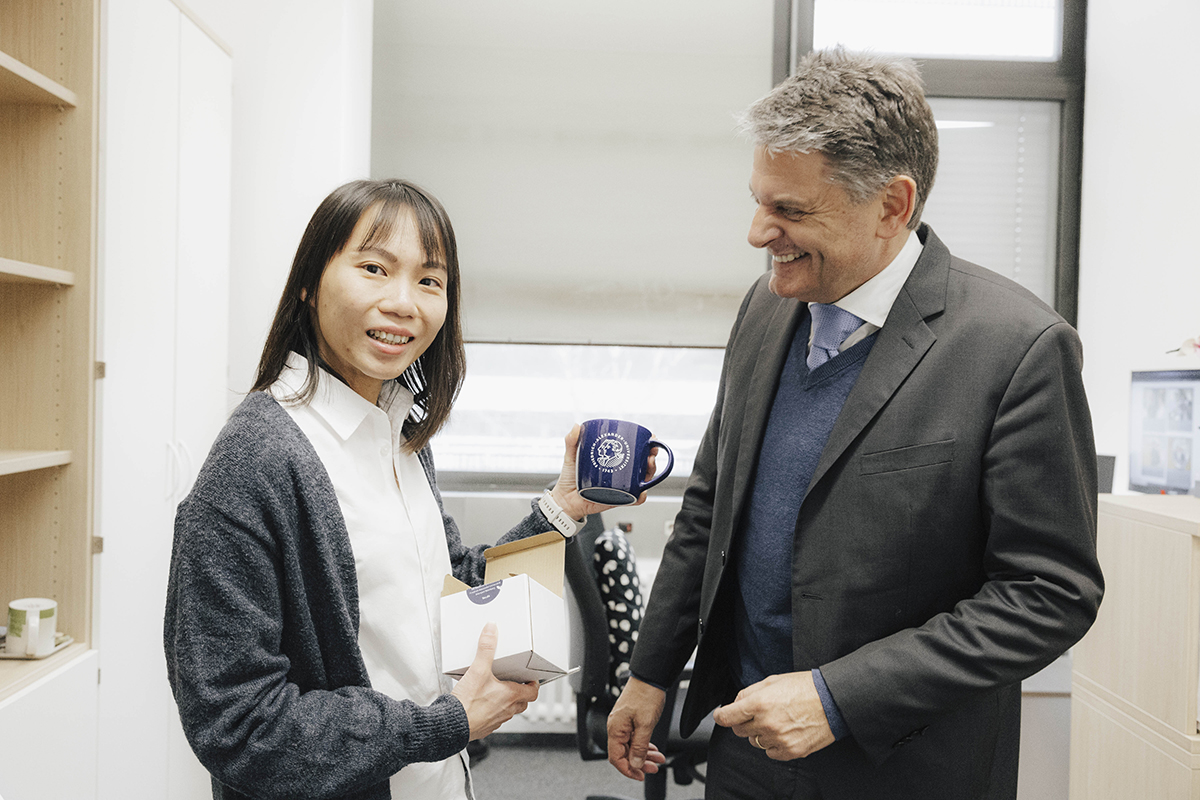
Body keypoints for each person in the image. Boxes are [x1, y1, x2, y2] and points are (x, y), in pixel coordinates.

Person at [606, 48, 1104, 799]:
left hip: (904, 769)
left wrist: (839, 699)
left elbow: (1048, 592)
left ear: (893, 205)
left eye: (790, 211)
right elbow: (712, 506)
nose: (756, 233)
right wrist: (651, 672)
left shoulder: (1018, 349)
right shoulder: (766, 307)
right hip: (744, 752)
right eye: (758, 199)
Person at [164, 179, 660, 800]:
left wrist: (562, 509)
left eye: (430, 280)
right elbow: (237, 725)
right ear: (310, 283)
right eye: (374, 268)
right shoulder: (255, 462)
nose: (405, 303)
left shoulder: (398, 434)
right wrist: (444, 723)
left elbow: (448, 593)